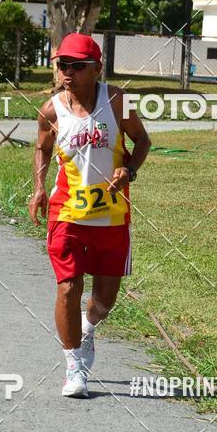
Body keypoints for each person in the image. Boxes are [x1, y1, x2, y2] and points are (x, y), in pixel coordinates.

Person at [28, 33, 151, 398]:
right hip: (66, 211)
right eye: (62, 65)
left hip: (111, 215)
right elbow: (42, 148)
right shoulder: (52, 110)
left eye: (77, 66)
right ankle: (74, 366)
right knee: (68, 287)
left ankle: (88, 327)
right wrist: (39, 187)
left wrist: (129, 170)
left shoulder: (117, 102)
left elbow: (142, 141)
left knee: (104, 300)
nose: (67, 72)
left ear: (96, 68)